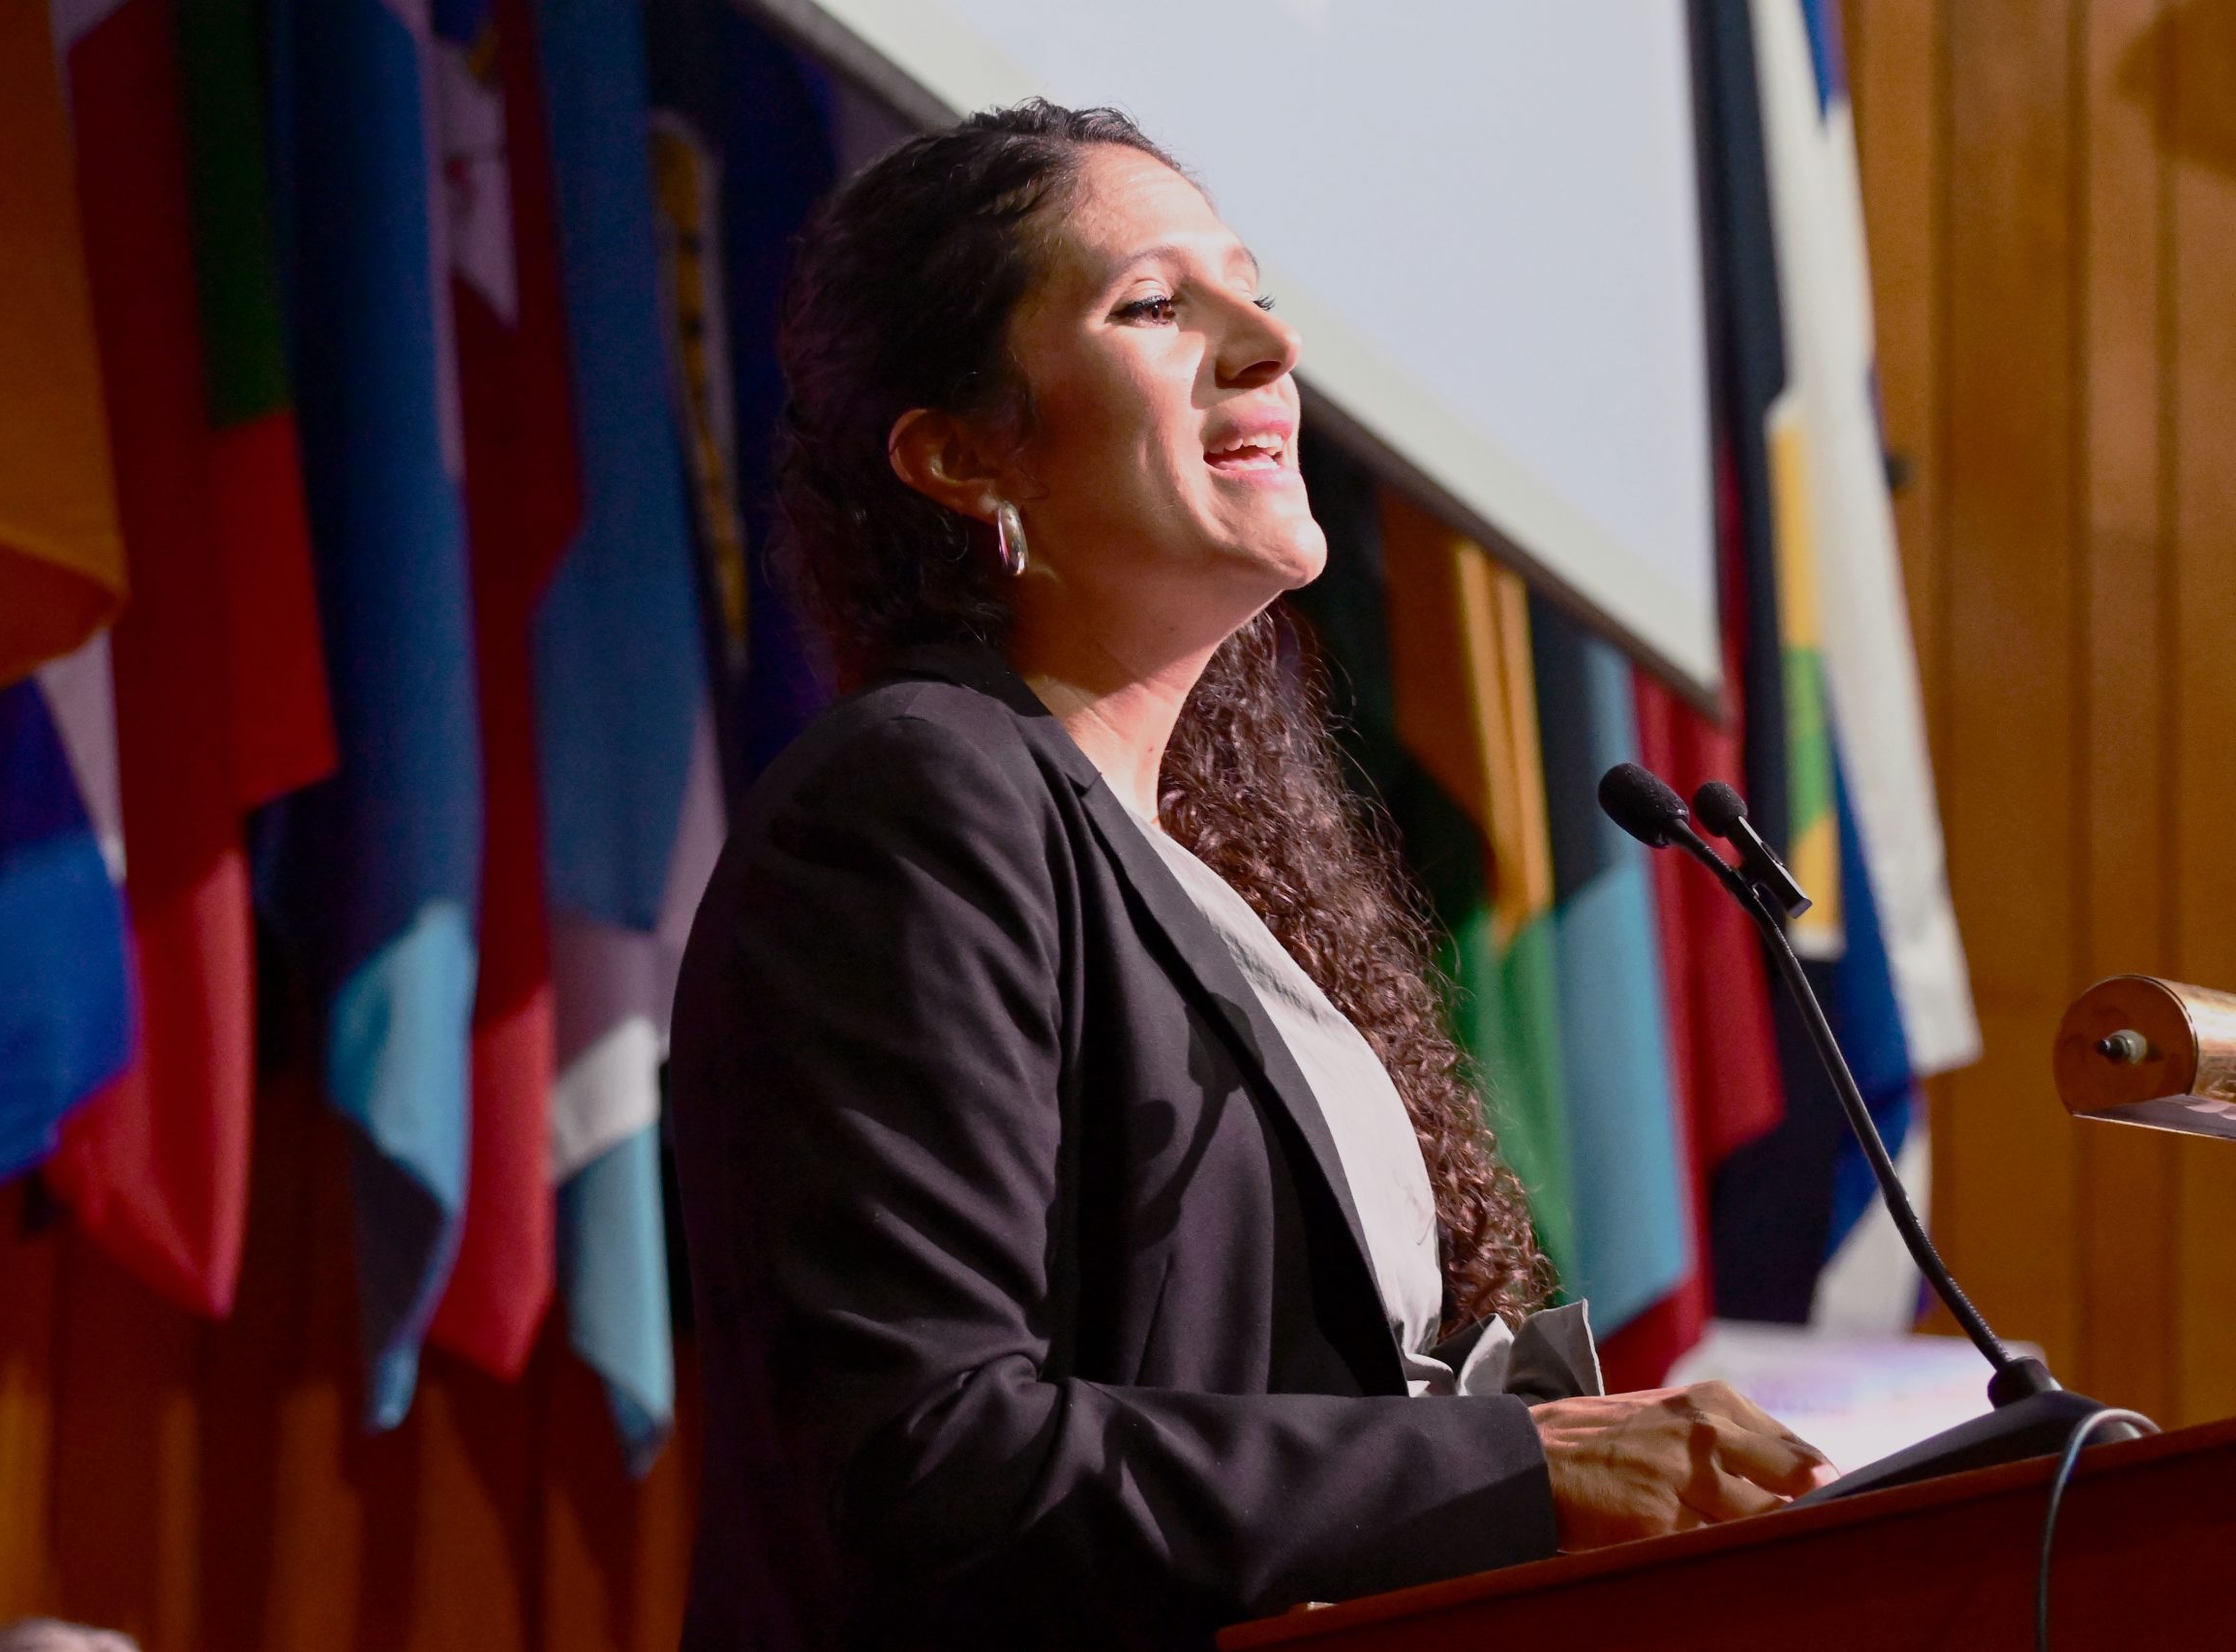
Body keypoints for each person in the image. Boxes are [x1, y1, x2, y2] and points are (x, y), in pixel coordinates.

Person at [668, 101, 1833, 1650]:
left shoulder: (1202, 864)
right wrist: (1514, 1469)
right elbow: (923, 1462)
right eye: (1154, 306)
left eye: (1256, 295)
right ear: (960, 456)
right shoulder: (916, 798)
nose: (1272, 348)